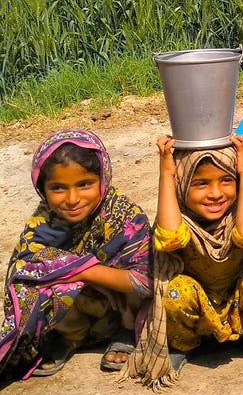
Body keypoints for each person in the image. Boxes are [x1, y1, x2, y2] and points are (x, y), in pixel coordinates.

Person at [120, 134, 243, 387]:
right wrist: (166, 176)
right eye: (200, 183)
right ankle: (182, 343)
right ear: (181, 184)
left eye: (226, 180)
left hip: (238, 305)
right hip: (196, 308)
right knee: (176, 291)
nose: (216, 193)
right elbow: (168, 238)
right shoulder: (177, 216)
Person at [0, 129, 151, 379]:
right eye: (58, 188)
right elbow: (21, 274)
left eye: (84, 184)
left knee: (65, 272)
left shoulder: (124, 216)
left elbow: (146, 282)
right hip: (81, 307)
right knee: (32, 284)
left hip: (121, 307)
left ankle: (125, 332)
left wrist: (82, 270)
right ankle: (68, 335)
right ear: (42, 188)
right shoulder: (42, 223)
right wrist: (67, 273)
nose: (72, 199)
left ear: (103, 179)